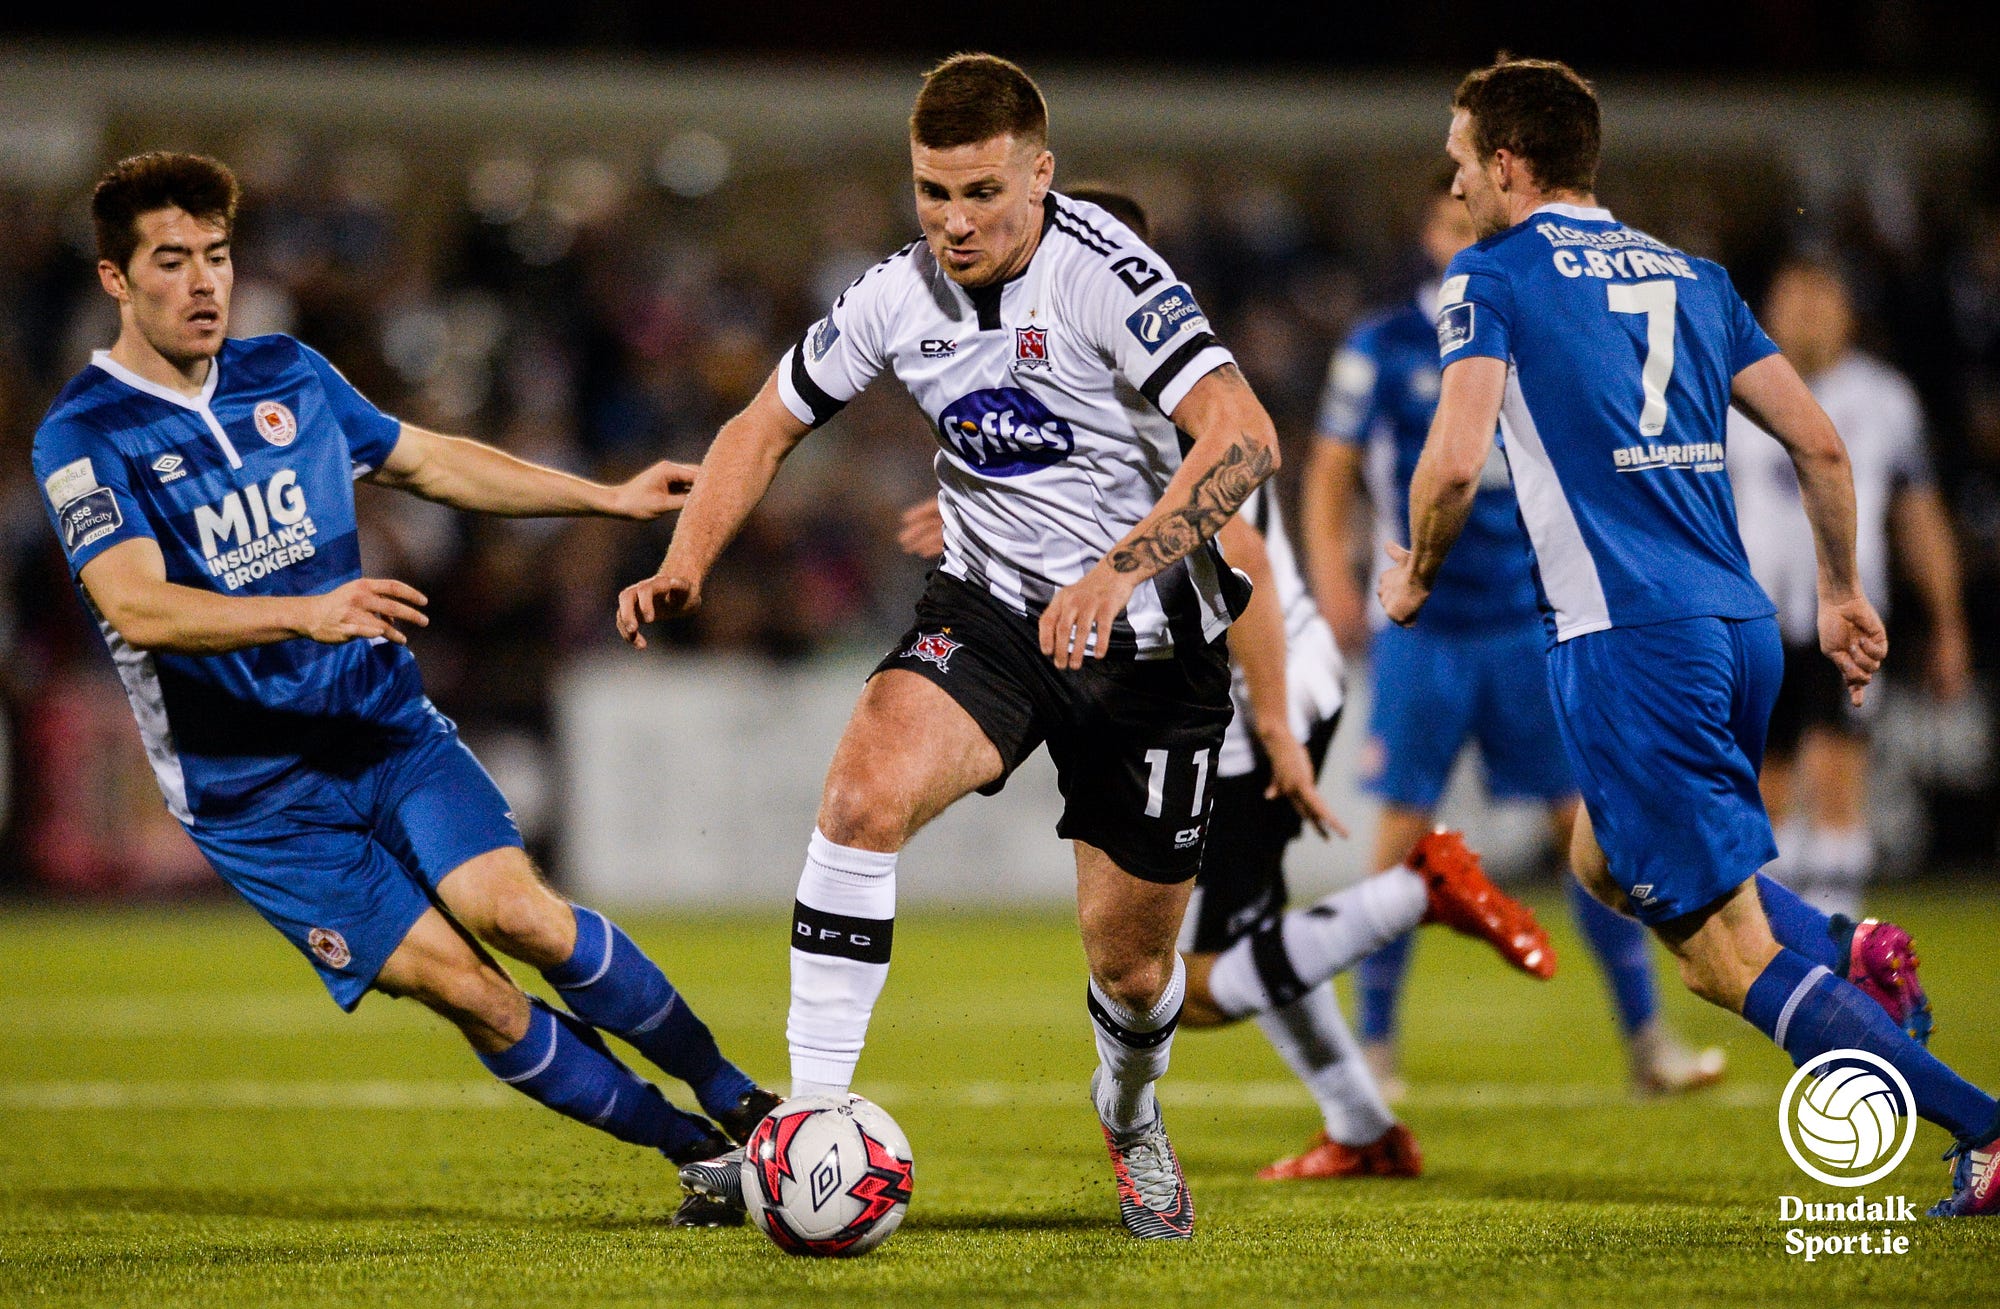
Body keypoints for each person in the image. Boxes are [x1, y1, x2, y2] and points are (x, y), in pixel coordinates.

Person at [619, 56, 1550, 1240]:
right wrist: (685, 559)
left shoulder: (1111, 280)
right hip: (993, 615)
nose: (952, 222)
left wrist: (1122, 570)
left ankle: (1130, 1114)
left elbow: (1245, 438)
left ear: (1040, 177)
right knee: (858, 797)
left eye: (980, 193)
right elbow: (764, 422)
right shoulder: (894, 295)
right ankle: (810, 1122)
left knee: (1132, 971)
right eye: (929, 192)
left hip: (1152, 653)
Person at [32, 152, 779, 1227]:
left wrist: (606, 502)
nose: (203, 284)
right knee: (465, 987)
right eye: (170, 262)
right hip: (256, 794)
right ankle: (696, 1153)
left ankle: (741, 1102)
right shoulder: (85, 435)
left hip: (382, 726)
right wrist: (304, 610)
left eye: (218, 256)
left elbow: (429, 460)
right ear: (115, 279)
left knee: (518, 913)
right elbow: (136, 605)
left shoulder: (287, 370)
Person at [1378, 57, 1997, 1216]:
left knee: (1722, 958)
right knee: (1598, 864)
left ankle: (1982, 1127)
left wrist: (1412, 575)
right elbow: (1817, 441)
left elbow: (1455, 461)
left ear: (1508, 165)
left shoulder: (1489, 277)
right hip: (1740, 627)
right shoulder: (1694, 276)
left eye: (1462, 162)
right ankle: (1847, 948)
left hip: (1626, 641)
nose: (1454, 185)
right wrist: (1841, 592)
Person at [901, 187, 1430, 1182]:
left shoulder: (1163, 395)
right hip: (1231, 696)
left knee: (1177, 979)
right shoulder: (1102, 385)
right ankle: (1362, 1127)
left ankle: (1411, 893)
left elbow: (1251, 574)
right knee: (1219, 941)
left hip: (1252, 694)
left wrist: (1271, 726)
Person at [1303, 173, 1723, 1099]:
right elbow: (1330, 469)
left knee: (1590, 829)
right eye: (1452, 222)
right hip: (1426, 630)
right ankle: (1371, 1050)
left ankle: (1648, 1041)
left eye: (1477, 225)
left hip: (1531, 622)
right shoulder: (1383, 345)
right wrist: (1333, 576)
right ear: (1428, 232)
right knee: (1403, 835)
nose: (1468, 239)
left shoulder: (1536, 326)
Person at [1727, 258, 1972, 923]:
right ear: (1769, 307)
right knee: (1761, 789)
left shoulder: (1883, 397)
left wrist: (1948, 621)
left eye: (1822, 298)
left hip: (1851, 612)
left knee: (1837, 776)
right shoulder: (1730, 387)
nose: (1807, 313)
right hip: (1754, 619)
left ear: (1846, 311)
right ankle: (1778, 946)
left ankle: (1841, 946)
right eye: (1794, 298)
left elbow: (1918, 515)